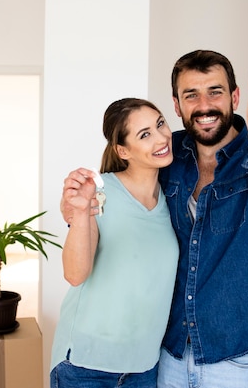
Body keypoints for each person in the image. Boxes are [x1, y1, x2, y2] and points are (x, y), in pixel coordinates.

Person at [155, 50, 248, 388]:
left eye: (215, 91)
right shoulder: (167, 155)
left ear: (235, 96)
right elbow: (126, 188)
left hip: (236, 360)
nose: (204, 105)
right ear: (177, 106)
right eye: (191, 94)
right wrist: (89, 202)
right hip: (169, 353)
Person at [50, 98, 180, 388]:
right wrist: (81, 211)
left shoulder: (173, 196)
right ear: (123, 151)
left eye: (160, 124)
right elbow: (74, 273)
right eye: (144, 134)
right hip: (85, 365)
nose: (161, 138)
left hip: (144, 367)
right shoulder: (99, 191)